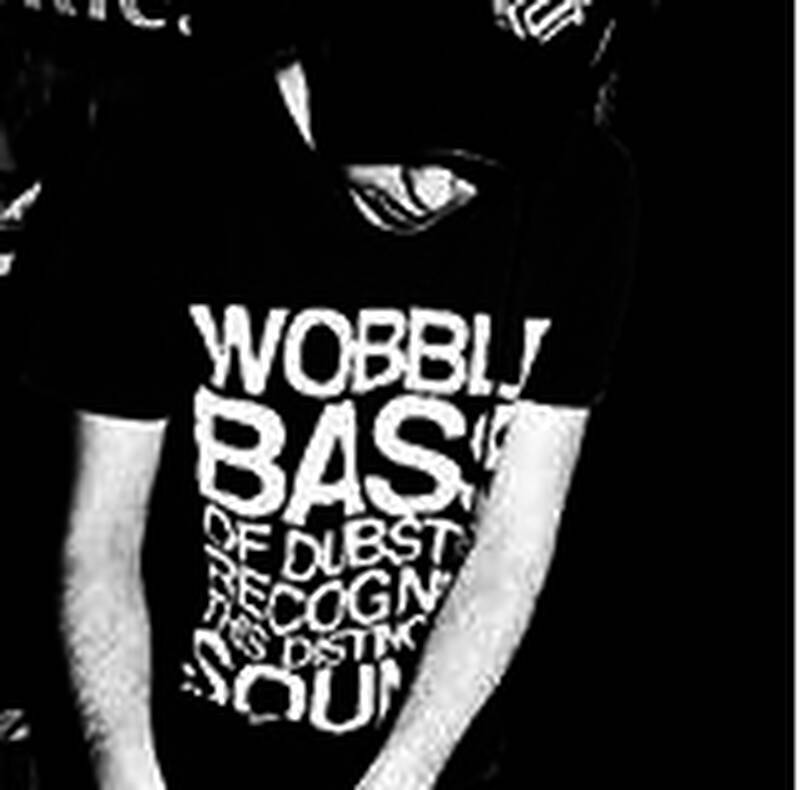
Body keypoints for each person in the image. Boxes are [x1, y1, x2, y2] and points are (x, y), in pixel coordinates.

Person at [24, 1, 642, 787]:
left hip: (430, 748)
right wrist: (130, 774)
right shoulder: (157, 166)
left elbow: (511, 549)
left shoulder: (586, 195)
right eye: (410, 127)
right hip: (174, 741)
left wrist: (405, 772)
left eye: (489, 149)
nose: (431, 190)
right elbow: (103, 535)